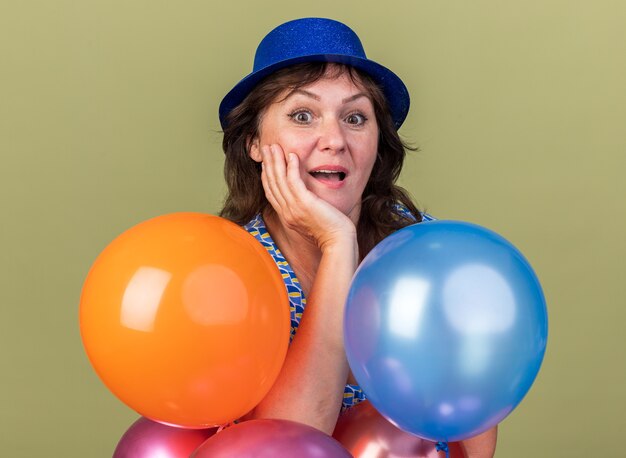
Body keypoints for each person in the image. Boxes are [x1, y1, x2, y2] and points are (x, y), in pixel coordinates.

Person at [218, 17, 497, 457]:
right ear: (254, 142)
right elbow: (285, 446)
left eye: (354, 117)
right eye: (302, 115)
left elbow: (473, 439)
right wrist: (336, 243)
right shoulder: (230, 271)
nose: (334, 139)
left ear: (377, 142)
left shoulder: (427, 253)